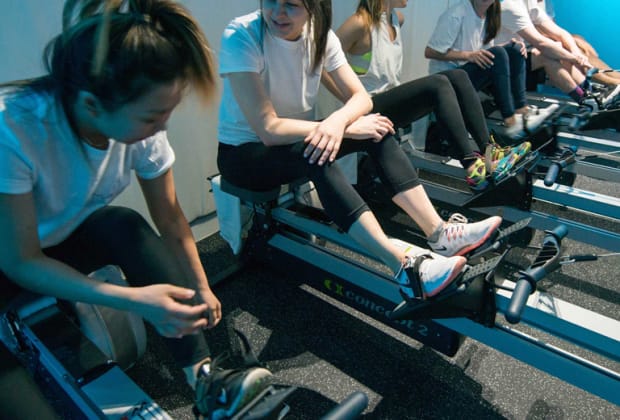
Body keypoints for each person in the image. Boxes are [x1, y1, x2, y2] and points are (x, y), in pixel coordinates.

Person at [0, 1, 271, 418]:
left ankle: (205, 382)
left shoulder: (142, 128)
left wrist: (200, 286)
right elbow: (20, 261)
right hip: (10, 257)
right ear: (92, 105)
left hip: (49, 242)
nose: (162, 127)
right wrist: (134, 300)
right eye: (152, 117)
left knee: (123, 224)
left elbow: (170, 218)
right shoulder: (15, 130)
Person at [216, 0, 503, 318]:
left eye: (291, 5)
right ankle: (405, 268)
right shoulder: (242, 35)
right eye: (270, 0)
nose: (277, 12)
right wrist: (345, 127)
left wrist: (341, 123)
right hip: (244, 154)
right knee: (316, 153)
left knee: (375, 130)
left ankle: (440, 234)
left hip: (294, 140)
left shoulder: (320, 36)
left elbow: (361, 97)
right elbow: (268, 129)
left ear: (312, 7)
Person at [334, 0, 531, 190]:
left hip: (388, 101)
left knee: (459, 76)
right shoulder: (359, 23)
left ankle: (490, 151)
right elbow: (325, 62)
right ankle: (472, 166)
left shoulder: (397, 18)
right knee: (438, 83)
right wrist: (350, 100)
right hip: (368, 106)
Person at [425, 0, 543, 137]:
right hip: (447, 80)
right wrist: (469, 55)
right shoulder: (456, 15)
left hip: (468, 74)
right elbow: (430, 52)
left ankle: (521, 110)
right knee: (499, 53)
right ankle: (510, 121)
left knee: (514, 49)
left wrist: (510, 46)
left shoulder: (489, 16)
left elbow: (486, 51)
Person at [493, 0, 614, 106]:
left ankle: (590, 91)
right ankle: (585, 99)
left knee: (562, 48)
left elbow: (561, 33)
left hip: (521, 57)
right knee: (547, 56)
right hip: (501, 68)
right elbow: (541, 43)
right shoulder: (511, 7)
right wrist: (575, 58)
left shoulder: (530, 4)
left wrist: (576, 53)